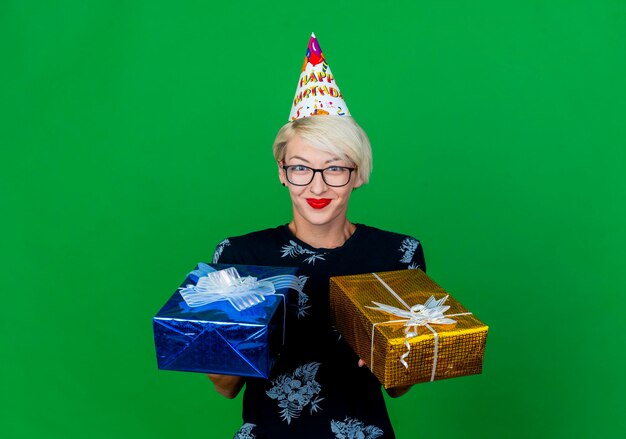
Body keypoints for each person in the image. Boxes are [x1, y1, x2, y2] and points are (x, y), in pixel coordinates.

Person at [209, 34, 425, 439]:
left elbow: (398, 386)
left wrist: (389, 355)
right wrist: (230, 338)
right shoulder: (240, 255)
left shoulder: (397, 253)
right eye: (301, 168)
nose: (318, 187)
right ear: (282, 171)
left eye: (335, 168)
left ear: (357, 174)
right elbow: (225, 387)